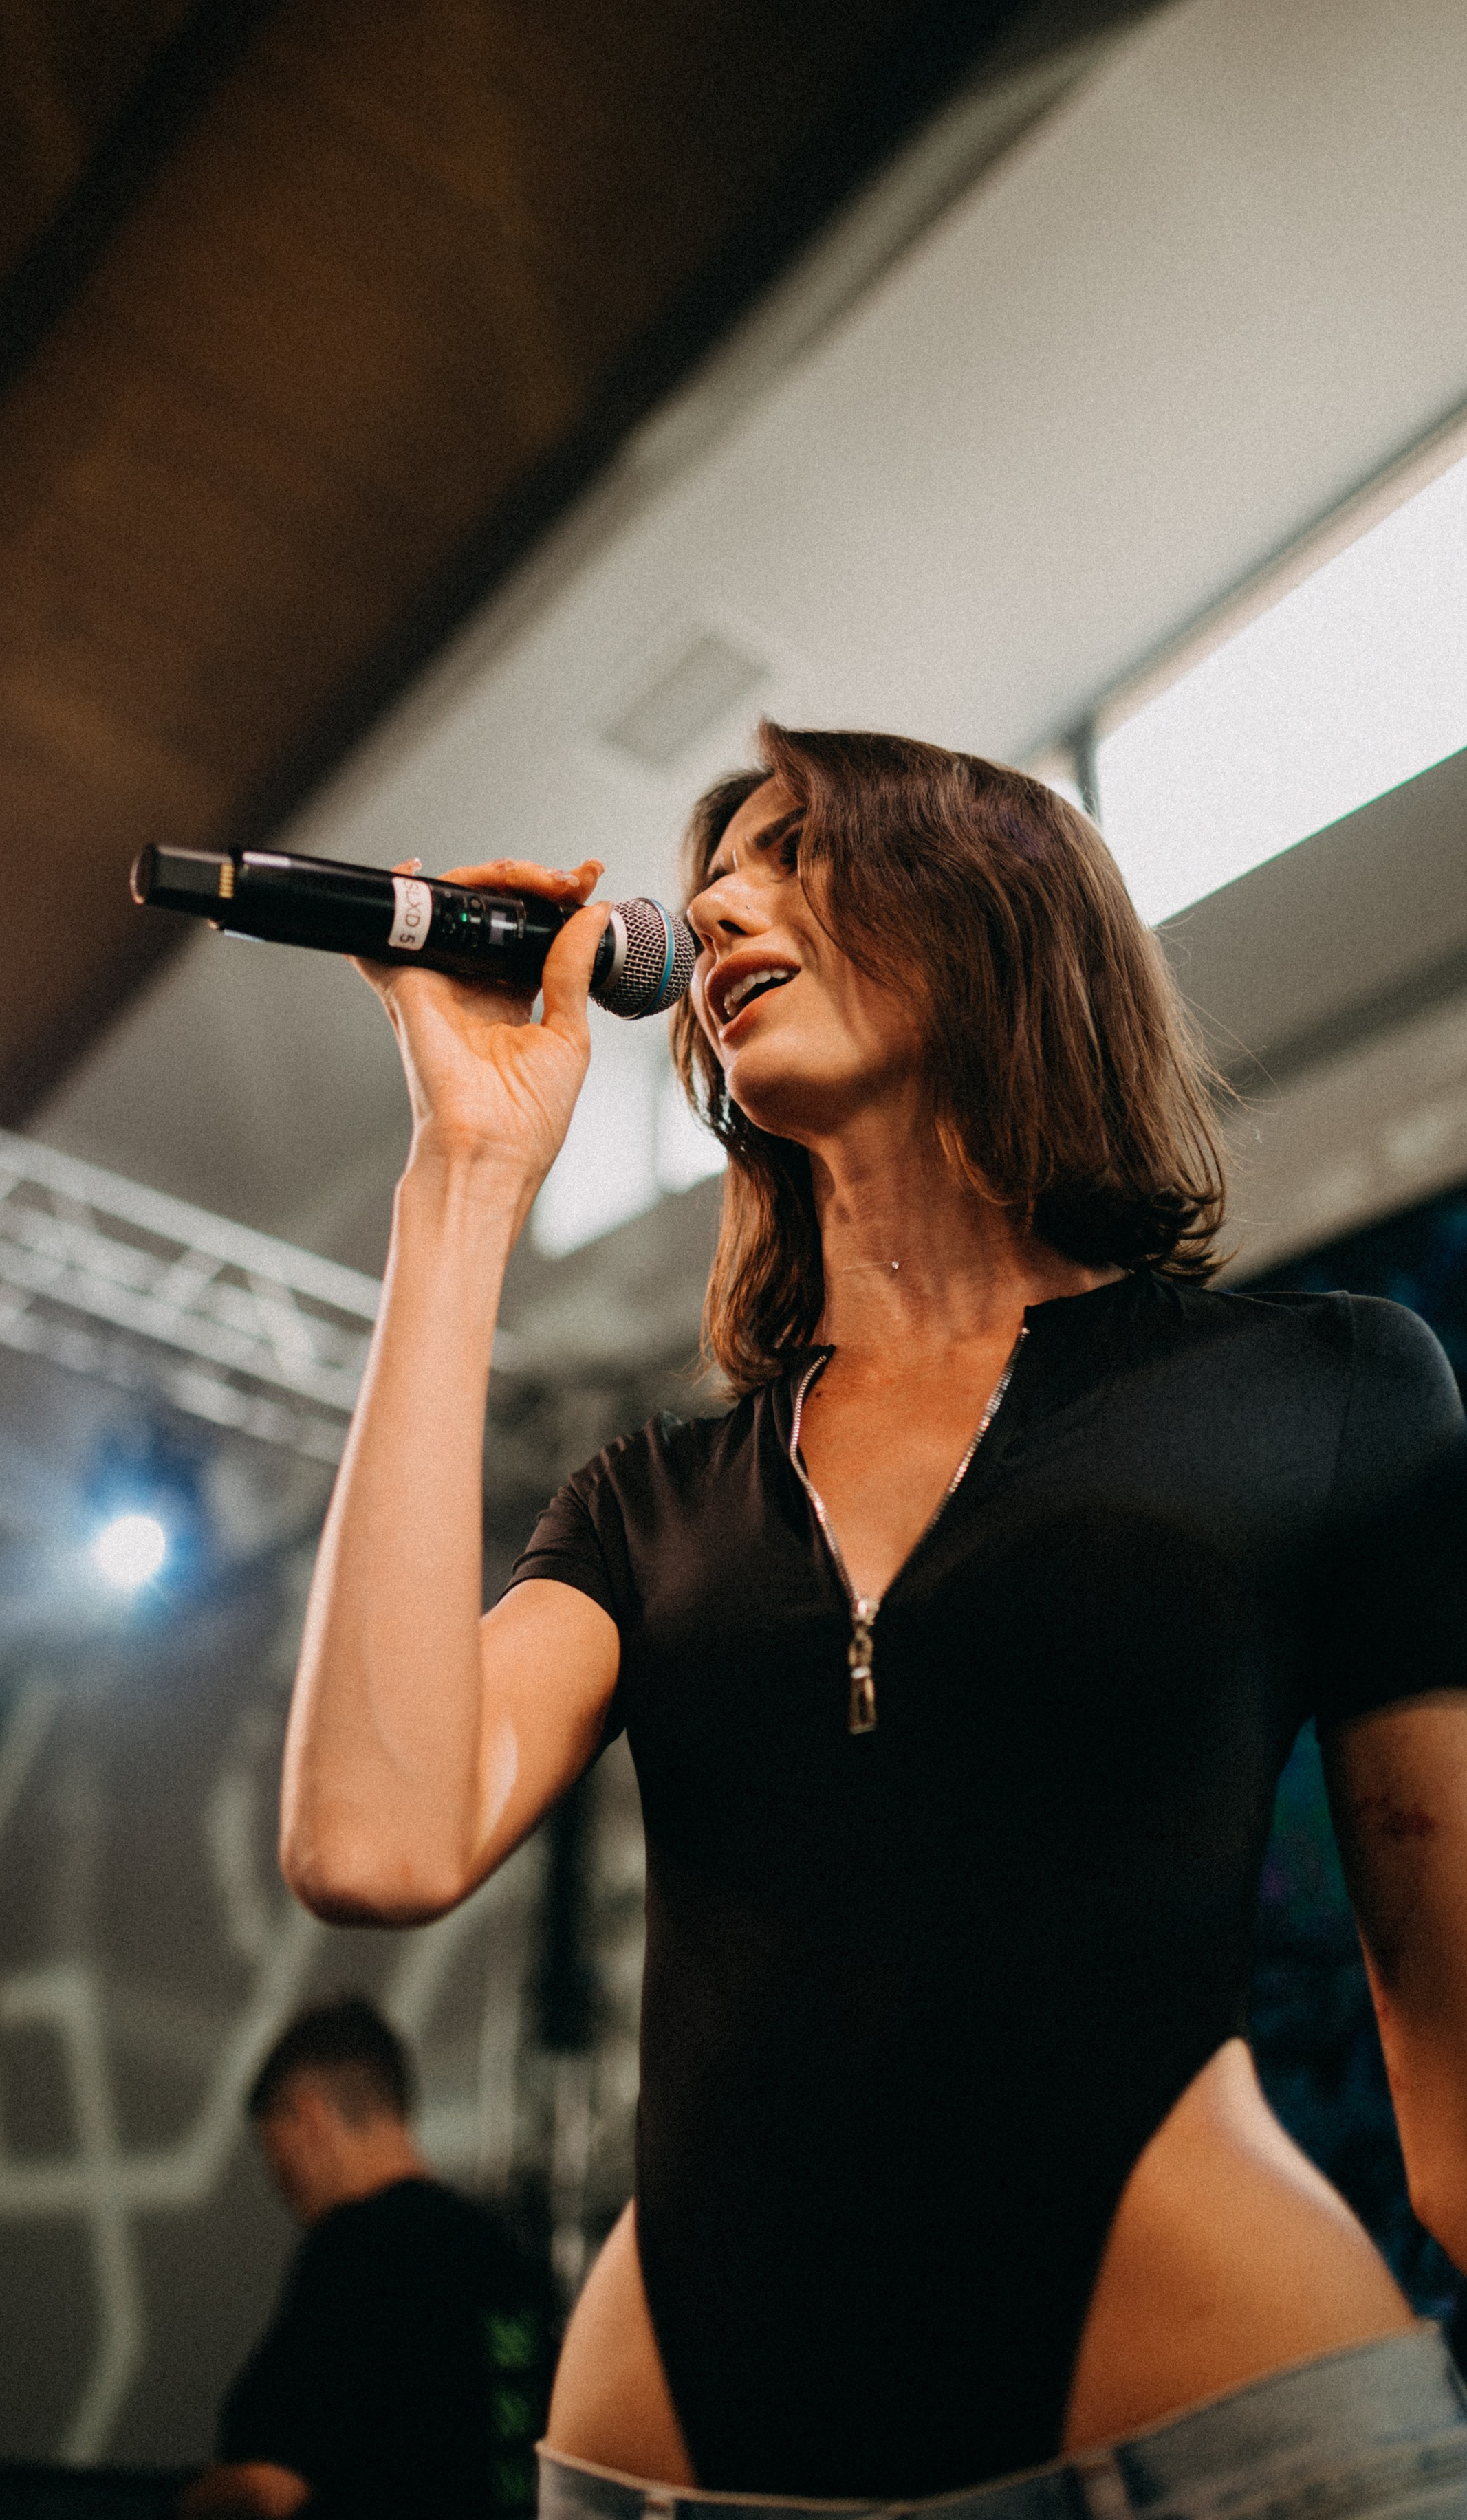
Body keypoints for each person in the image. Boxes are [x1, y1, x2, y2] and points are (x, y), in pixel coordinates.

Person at [279, 724, 1467, 2519]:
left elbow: (1453, 2008)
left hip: (1222, 2457)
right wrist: (466, 1173)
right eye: (720, 870)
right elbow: (372, 1838)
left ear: (999, 910)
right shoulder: (649, 1499)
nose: (728, 899)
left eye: (803, 849)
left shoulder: (1329, 1389)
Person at [179, 1996, 553, 2520]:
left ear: (310, 2118)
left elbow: (268, 2488)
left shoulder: (354, 2253)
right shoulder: (513, 2259)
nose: (280, 2181)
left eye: (274, 2151)